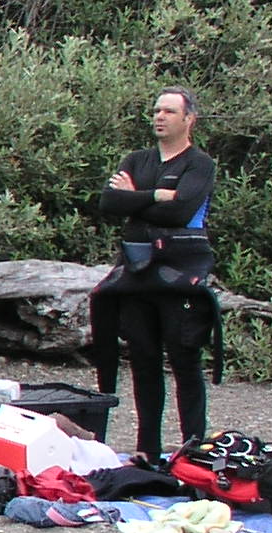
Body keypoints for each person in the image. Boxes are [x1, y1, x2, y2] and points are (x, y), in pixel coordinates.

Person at [90, 87, 218, 464]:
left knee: (184, 358)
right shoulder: (139, 159)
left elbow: (180, 213)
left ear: (188, 119)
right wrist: (158, 195)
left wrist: (139, 197)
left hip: (181, 272)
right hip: (137, 271)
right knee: (143, 358)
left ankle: (194, 449)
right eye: (156, 110)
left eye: (169, 111)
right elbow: (108, 202)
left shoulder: (199, 164)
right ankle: (148, 447)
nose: (159, 116)